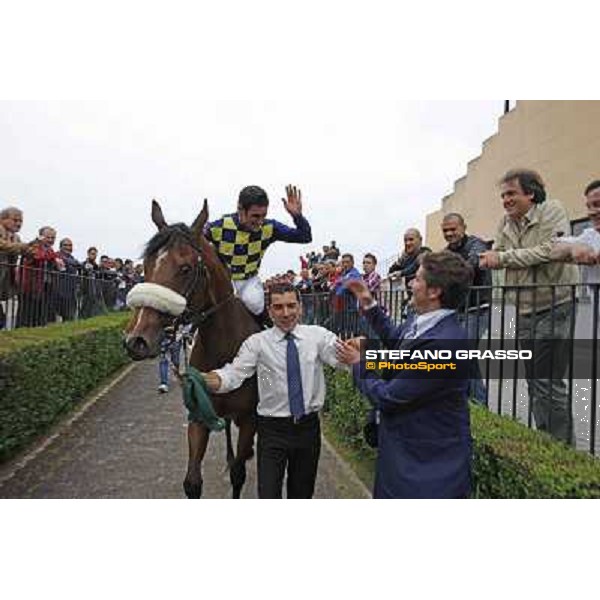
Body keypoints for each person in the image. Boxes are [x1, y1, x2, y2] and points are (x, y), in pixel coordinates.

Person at [336, 251, 473, 499]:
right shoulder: (424, 321)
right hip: (404, 457)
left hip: (426, 471)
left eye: (418, 279)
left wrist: (359, 363)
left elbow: (389, 397)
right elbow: (397, 341)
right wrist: (368, 302)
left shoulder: (446, 344)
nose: (410, 283)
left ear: (434, 292)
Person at [201, 282, 347, 499]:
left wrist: (404, 361)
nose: (286, 313)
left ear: (300, 307)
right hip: (272, 432)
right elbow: (233, 375)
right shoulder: (257, 344)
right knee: (268, 494)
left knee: (302, 495)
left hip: (308, 430)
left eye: (291, 306)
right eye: (278, 307)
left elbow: (348, 359)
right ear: (269, 311)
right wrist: (203, 380)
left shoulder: (317, 337)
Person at [479, 168, 579, 444]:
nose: (505, 200)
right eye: (503, 195)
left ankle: (562, 447)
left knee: (549, 381)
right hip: (523, 310)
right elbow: (493, 255)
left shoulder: (553, 210)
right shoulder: (505, 223)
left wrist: (503, 257)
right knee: (535, 382)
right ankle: (546, 441)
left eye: (511, 193)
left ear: (530, 193)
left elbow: (551, 251)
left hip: (556, 304)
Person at [205, 185, 312, 324]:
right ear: (241, 210)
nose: (260, 222)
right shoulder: (218, 227)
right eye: (255, 216)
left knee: (254, 304)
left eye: (263, 216)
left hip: (247, 281)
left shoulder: (270, 228)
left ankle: (268, 331)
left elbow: (304, 237)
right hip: (222, 280)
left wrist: (297, 216)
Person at [442, 212, 491, 405]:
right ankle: (468, 397)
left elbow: (473, 264)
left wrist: (451, 274)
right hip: (458, 311)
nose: (449, 233)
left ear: (463, 227)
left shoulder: (476, 244)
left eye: (453, 229)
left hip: (477, 308)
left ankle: (479, 400)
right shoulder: (446, 252)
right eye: (445, 230)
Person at [550, 180, 600, 283]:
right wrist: (572, 249)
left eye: (597, 204)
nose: (591, 213)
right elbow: (552, 247)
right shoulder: (591, 235)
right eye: (589, 206)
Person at [0, 206, 32, 329]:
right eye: (15, 220)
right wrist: (22, 247)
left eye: (21, 221)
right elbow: (4, 245)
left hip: (5, 279)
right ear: (3, 219)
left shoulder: (16, 237)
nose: (19, 224)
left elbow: (23, 249)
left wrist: (32, 249)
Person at [333, 253, 362, 336]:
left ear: (352, 263)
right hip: (343, 308)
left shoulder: (354, 273)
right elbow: (335, 287)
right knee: (343, 332)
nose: (345, 264)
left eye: (347, 262)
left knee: (351, 333)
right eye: (343, 262)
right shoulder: (344, 274)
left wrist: (340, 284)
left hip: (351, 309)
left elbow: (341, 290)